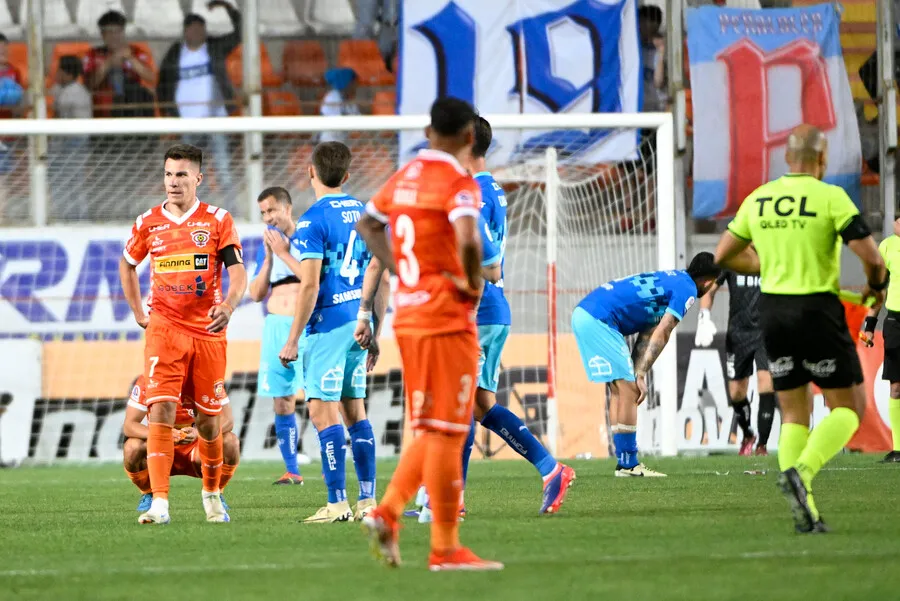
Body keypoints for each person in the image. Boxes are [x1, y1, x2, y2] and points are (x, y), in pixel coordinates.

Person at [355, 96, 504, 571]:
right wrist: (471, 283)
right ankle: (442, 546)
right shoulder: (459, 183)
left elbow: (367, 223)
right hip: (446, 318)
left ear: (427, 132)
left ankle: (391, 514)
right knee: (448, 429)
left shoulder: (405, 177)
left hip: (410, 317)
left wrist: (403, 272)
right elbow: (466, 238)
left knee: (428, 427)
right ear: (467, 137)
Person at [715, 124, 887, 533]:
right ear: (822, 160)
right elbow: (873, 257)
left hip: (772, 314)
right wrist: (874, 289)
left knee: (794, 415)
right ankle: (803, 473)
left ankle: (805, 511)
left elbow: (723, 254)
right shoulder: (830, 197)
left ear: (787, 160)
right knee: (848, 408)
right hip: (817, 311)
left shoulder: (759, 199)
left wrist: (762, 265)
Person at [408, 116, 574, 521]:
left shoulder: (473, 192)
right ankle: (551, 469)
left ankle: (451, 500)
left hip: (479, 311)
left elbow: (486, 264)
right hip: (491, 310)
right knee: (482, 404)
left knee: (460, 404)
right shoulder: (491, 187)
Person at [118, 143, 247, 525]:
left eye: (181, 175)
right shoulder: (147, 223)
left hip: (207, 332)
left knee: (209, 422)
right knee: (161, 409)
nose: (173, 182)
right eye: (168, 174)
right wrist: (139, 311)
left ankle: (212, 495)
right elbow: (127, 265)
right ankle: (159, 503)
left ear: (198, 178)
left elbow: (237, 272)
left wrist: (229, 306)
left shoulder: (218, 220)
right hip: (164, 330)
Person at [276, 142, 378, 523]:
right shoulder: (366, 215)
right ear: (347, 176)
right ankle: (368, 501)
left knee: (322, 414)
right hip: (358, 322)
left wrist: (291, 339)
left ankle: (337, 504)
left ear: (310, 172)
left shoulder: (312, 220)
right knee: (355, 411)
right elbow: (377, 274)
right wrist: (374, 327)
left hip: (329, 324)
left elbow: (310, 285)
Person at [572, 253, 722, 477]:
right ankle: (628, 463)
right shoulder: (688, 289)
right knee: (628, 390)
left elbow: (648, 332)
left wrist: (639, 372)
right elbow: (664, 330)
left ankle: (624, 461)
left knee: (620, 391)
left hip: (586, 313)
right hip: (599, 319)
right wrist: (639, 373)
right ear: (708, 281)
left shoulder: (674, 279)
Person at [157, 1, 242, 213]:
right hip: (188, 123)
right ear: (185, 32)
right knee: (189, 172)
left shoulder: (214, 47)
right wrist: (171, 113)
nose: (197, 33)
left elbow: (241, 33)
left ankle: (231, 211)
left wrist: (228, 8)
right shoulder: (176, 53)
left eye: (200, 29)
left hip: (215, 119)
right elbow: (162, 83)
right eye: (192, 29)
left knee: (223, 169)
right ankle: (193, 212)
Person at [248, 187, 308, 485]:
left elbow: (314, 281)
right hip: (276, 326)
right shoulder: (267, 246)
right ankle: (292, 470)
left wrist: (283, 251)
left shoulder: (307, 237)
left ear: (288, 208)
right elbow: (256, 294)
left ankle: (332, 463)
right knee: (283, 401)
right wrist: (270, 257)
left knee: (327, 398)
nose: (268, 217)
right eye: (263, 213)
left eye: (271, 210)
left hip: (309, 325)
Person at [124, 375, 239, 513]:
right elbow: (129, 425)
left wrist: (198, 433)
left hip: (197, 450)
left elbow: (228, 421)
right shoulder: (148, 379)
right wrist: (162, 433)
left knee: (230, 442)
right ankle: (148, 493)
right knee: (132, 447)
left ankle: (216, 493)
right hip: (160, 448)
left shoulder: (207, 377)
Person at [695, 269, 778, 456]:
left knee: (766, 383)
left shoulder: (770, 254)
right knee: (736, 393)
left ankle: (762, 447)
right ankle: (748, 434)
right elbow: (709, 289)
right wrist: (704, 317)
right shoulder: (733, 257)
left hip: (767, 331)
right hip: (738, 334)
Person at [862, 219, 900, 463]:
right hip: (896, 323)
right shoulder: (887, 247)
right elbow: (879, 289)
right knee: (896, 387)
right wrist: (869, 325)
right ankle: (898, 448)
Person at [83, 10, 155, 117]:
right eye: (109, 32)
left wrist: (130, 58)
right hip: (103, 114)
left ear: (123, 32)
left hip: (134, 111)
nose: (114, 36)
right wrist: (109, 62)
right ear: (102, 35)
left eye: (117, 31)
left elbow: (152, 78)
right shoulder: (93, 54)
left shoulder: (136, 51)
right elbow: (89, 85)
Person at [319, 68, 360, 144]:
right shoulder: (332, 98)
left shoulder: (350, 101)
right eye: (354, 84)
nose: (356, 87)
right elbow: (335, 124)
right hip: (330, 142)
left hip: (346, 142)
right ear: (346, 83)